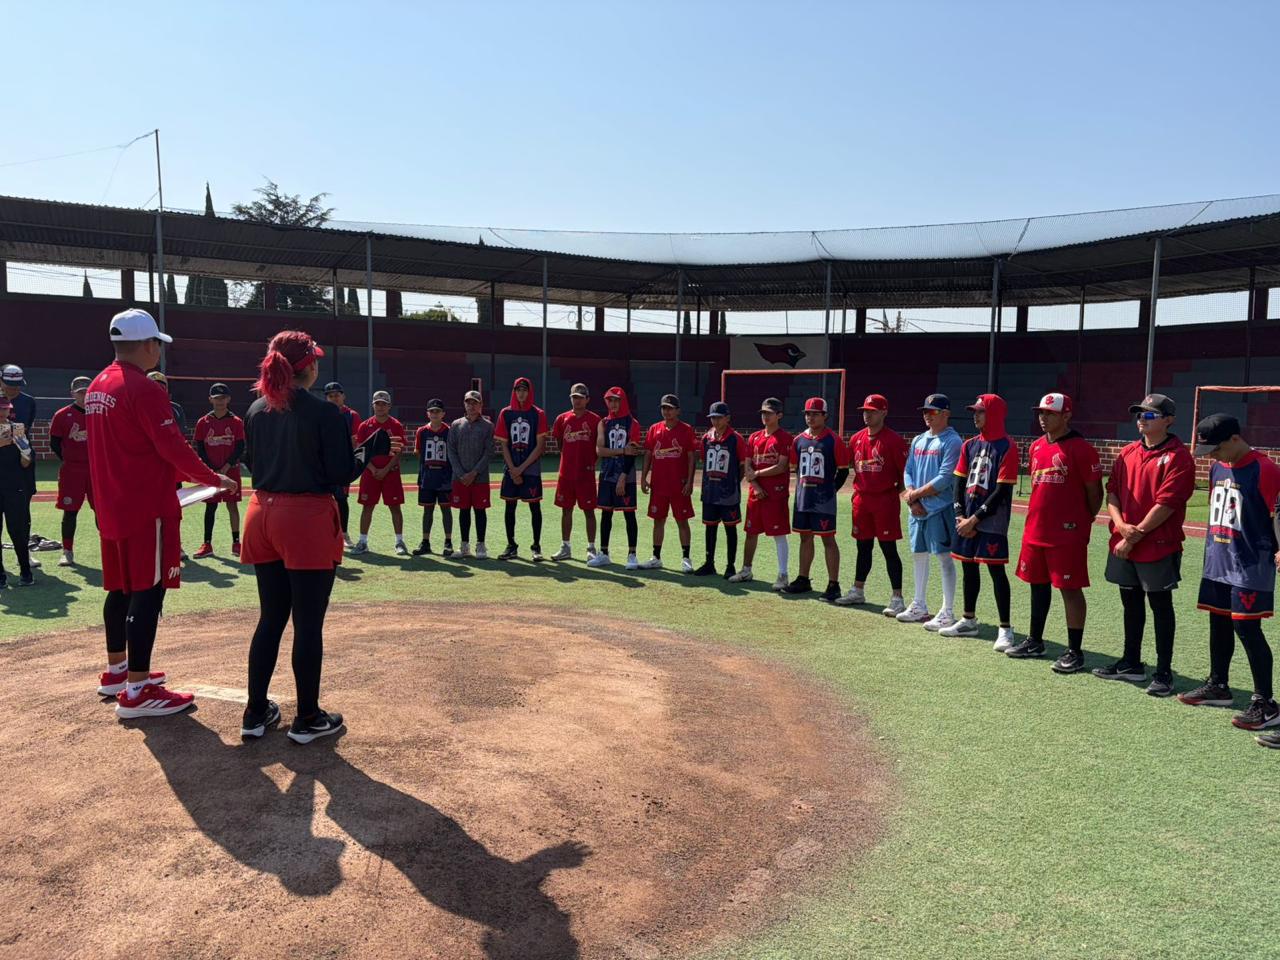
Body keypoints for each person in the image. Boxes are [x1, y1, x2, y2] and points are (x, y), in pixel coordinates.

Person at [240, 329, 403, 743]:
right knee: (307, 623)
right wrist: (370, 447)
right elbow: (340, 473)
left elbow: (251, 463)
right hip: (304, 518)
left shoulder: (256, 408)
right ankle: (308, 717)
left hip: (261, 513)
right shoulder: (324, 412)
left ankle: (255, 713)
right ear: (308, 367)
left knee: (271, 618)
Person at [86, 308, 235, 718]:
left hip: (113, 505)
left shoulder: (98, 384)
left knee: (119, 589)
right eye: (157, 344)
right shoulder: (143, 388)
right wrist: (214, 479)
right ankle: (137, 690)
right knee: (147, 593)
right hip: (145, 506)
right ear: (148, 344)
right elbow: (172, 447)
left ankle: (118, 671)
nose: (159, 351)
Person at [1177, 414, 1280, 738]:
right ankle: (1218, 684)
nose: (1213, 457)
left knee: (1246, 628)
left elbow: (1277, 513)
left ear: (1235, 438)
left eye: (1216, 449)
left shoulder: (1265, 469)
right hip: (1218, 559)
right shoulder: (1218, 468)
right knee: (1218, 620)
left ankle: (1265, 703)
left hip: (1250, 564)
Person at [1095, 394, 1195, 696]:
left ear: (1169, 420)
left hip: (1158, 545)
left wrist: (1132, 535)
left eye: (1150, 415)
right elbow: (1112, 492)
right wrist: (1121, 527)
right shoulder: (1127, 452)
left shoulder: (1179, 456)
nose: (1142, 419)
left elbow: (1167, 503)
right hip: (1126, 541)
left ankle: (1164, 672)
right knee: (1131, 603)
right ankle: (1131, 662)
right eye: (1139, 414)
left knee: (1161, 606)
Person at [1005, 393, 1104, 672]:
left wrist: (1082, 520)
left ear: (1066, 415)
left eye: (1050, 413)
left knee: (1070, 589)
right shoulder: (1036, 446)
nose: (1043, 418)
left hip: (1067, 534)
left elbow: (1095, 493)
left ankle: (1075, 651)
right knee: (1037, 585)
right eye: (1041, 413)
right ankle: (1035, 641)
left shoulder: (1081, 449)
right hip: (1035, 530)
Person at [939, 394, 1019, 649]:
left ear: (994, 414)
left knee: (996, 571)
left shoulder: (1007, 446)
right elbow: (958, 483)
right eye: (974, 411)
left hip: (991, 521)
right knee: (968, 567)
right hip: (966, 518)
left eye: (981, 411)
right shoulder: (969, 445)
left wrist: (974, 519)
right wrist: (960, 516)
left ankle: (1005, 629)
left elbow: (1002, 491)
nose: (975, 416)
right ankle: (968, 619)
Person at [836, 394, 908, 614]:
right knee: (863, 547)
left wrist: (900, 494)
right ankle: (858, 590)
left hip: (885, 501)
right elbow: (846, 465)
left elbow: (905, 474)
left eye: (872, 411)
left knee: (888, 548)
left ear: (883, 412)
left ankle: (897, 597)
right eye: (865, 411)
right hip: (862, 501)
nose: (867, 415)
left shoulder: (894, 441)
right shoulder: (856, 438)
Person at [896, 394, 963, 629]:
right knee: (918, 554)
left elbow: (945, 478)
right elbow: (908, 470)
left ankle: (947, 611)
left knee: (944, 557)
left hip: (939, 508)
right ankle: (919, 605)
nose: (927, 415)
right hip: (917, 509)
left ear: (946, 414)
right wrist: (912, 498)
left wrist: (914, 495)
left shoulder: (953, 441)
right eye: (925, 411)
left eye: (932, 411)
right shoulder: (918, 439)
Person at [785, 397, 850, 602]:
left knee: (828, 539)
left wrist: (830, 491)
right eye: (808, 414)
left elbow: (843, 471)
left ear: (825, 416)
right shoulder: (798, 440)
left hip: (823, 501)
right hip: (803, 498)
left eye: (815, 414)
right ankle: (803, 578)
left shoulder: (833, 440)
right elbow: (795, 469)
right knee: (805, 537)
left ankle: (833, 584)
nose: (810, 417)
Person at [733, 397, 793, 589]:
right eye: (763, 413)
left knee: (779, 534)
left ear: (779, 415)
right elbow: (748, 464)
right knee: (751, 532)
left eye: (769, 413)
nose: (765, 416)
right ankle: (746, 570)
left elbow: (782, 466)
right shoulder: (754, 437)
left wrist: (757, 474)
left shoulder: (785, 438)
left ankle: (783, 574)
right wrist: (756, 485)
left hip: (775, 494)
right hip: (756, 493)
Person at [639, 393, 697, 573]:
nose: (666, 411)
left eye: (670, 408)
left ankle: (686, 558)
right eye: (664, 408)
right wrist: (643, 477)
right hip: (659, 484)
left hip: (679, 484)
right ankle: (656, 557)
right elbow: (648, 454)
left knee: (682, 521)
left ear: (678, 411)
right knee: (658, 520)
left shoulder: (686, 430)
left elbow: (691, 457)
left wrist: (689, 481)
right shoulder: (654, 429)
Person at [496, 377, 549, 561]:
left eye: (524, 390)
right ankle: (511, 545)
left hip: (530, 468)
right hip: (511, 468)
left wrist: (521, 469)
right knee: (510, 506)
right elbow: (504, 445)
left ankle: (536, 546)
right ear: (514, 392)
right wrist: (513, 469)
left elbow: (540, 445)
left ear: (529, 392)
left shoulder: (538, 414)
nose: (521, 393)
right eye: (518, 390)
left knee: (535, 506)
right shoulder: (505, 413)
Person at [589, 386, 642, 569]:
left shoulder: (632, 423)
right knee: (606, 513)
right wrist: (621, 450)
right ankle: (604, 553)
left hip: (626, 474)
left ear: (623, 401)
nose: (613, 404)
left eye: (616, 400)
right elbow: (599, 450)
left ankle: (632, 555)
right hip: (607, 473)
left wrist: (623, 477)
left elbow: (632, 452)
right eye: (610, 400)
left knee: (629, 513)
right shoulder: (603, 423)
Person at [191, 383, 245, 559]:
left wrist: (226, 466)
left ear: (228, 399)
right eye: (216, 398)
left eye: (223, 398)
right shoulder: (203, 422)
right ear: (210, 400)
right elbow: (200, 448)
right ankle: (207, 544)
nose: (220, 401)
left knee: (232, 505)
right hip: (212, 472)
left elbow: (240, 447)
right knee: (210, 506)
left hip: (231, 471)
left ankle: (236, 543)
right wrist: (212, 470)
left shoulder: (236, 422)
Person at [695, 401, 748, 578]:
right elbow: (703, 461)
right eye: (713, 418)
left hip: (728, 493)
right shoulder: (706, 438)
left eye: (719, 418)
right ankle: (709, 563)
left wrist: (734, 482)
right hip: (710, 491)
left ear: (727, 418)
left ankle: (730, 565)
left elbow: (743, 465)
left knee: (730, 529)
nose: (715, 421)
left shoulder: (736, 438)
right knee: (710, 528)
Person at [351, 390, 408, 556]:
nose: (381, 407)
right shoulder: (365, 426)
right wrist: (373, 469)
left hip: (391, 472)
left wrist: (385, 469)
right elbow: (360, 451)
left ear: (389, 406)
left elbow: (398, 451)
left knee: (395, 507)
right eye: (378, 404)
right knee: (367, 506)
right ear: (373, 405)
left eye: (384, 404)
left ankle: (399, 541)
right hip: (370, 473)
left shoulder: (395, 425)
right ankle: (362, 542)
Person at [550, 383, 600, 561]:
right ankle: (565, 547)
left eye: (580, 397)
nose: (577, 400)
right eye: (574, 397)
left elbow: (598, 446)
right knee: (566, 510)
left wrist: (590, 462)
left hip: (586, 474)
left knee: (589, 511)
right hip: (566, 474)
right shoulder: (562, 419)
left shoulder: (595, 420)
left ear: (587, 399)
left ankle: (591, 548)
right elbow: (559, 443)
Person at [49, 376, 94, 567]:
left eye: (87, 392)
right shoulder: (62, 415)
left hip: (96, 470)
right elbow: (54, 442)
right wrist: (69, 458)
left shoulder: (100, 414)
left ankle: (110, 547)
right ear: (72, 394)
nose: (84, 396)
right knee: (70, 511)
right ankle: (67, 550)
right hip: (72, 470)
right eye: (80, 392)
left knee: (102, 510)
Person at [447, 389, 494, 559]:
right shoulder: (456, 424)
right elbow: (451, 451)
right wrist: (461, 474)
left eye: (475, 402)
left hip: (479, 478)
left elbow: (489, 452)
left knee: (480, 511)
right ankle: (464, 546)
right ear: (464, 404)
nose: (471, 405)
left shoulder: (488, 426)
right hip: (460, 478)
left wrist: (473, 473)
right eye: (468, 402)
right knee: (464, 511)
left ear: (481, 405)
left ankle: (481, 545)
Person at [0, 395, 35, 586]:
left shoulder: (17, 428)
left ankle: (26, 571)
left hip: (14, 485)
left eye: (5, 408)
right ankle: (1, 577)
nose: (2, 412)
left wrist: (25, 451)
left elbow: (26, 463)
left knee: (18, 530)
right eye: (0, 408)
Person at [412, 399, 454, 556]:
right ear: (427, 413)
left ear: (443, 414)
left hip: (445, 478)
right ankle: (425, 542)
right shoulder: (421, 431)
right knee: (427, 510)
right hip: (427, 477)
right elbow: (418, 452)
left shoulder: (449, 431)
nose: (435, 414)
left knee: (446, 509)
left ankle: (448, 542)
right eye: (432, 411)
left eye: (437, 411)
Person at [324, 381, 361, 548]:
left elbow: (355, 441)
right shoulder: (321, 414)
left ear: (343, 396)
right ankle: (324, 534)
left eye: (337, 395)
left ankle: (344, 534)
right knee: (322, 499)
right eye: (330, 396)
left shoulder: (352, 415)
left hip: (342, 464)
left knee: (341, 499)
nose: (334, 398)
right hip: (323, 464)